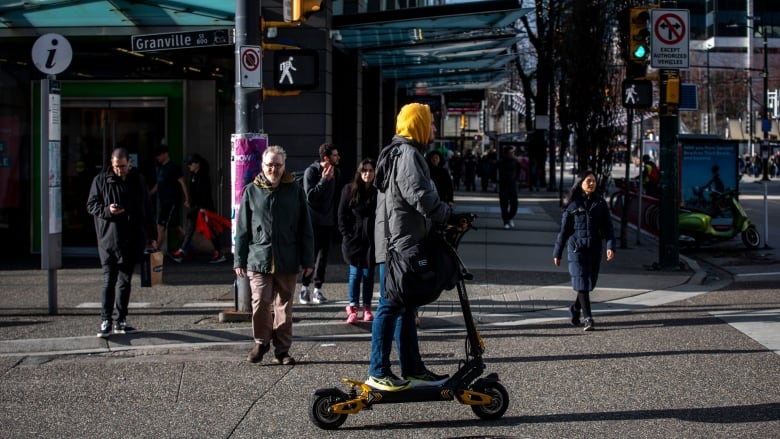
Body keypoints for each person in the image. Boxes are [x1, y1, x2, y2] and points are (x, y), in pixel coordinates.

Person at [368, 102, 452, 391]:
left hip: (397, 241)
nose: (434, 129)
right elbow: (420, 195)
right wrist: (445, 214)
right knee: (390, 305)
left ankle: (413, 368)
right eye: (430, 123)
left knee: (406, 305)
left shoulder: (401, 152)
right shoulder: (407, 154)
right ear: (417, 124)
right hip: (398, 243)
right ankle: (378, 371)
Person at [234, 145, 314, 365]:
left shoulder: (295, 189)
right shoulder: (251, 190)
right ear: (263, 166)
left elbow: (305, 227)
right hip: (258, 257)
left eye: (278, 165)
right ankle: (261, 342)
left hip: (288, 257)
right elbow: (242, 229)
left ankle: (282, 350)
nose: (274, 169)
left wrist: (308, 259)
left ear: (284, 166)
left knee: (284, 306)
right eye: (270, 165)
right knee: (260, 302)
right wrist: (239, 259)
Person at [86, 148, 157, 337]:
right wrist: (108, 210)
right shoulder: (101, 180)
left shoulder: (137, 180)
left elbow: (147, 208)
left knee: (125, 282)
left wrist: (152, 235)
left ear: (129, 163)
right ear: (111, 163)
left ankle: (121, 319)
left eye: (123, 166)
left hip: (132, 238)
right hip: (109, 239)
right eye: (117, 166)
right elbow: (91, 205)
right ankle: (106, 320)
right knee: (109, 280)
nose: (120, 170)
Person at [552, 170, 616, 332]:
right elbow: (564, 231)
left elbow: (608, 227)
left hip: (594, 249)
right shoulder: (573, 206)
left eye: (594, 181)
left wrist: (610, 246)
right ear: (580, 183)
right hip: (576, 249)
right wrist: (557, 253)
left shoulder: (600, 203)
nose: (592, 183)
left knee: (589, 284)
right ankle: (588, 318)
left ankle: (575, 309)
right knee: (582, 283)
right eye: (588, 180)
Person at [299, 143, 341, 305]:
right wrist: (323, 180)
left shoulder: (337, 172)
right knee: (310, 256)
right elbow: (310, 196)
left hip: (328, 222)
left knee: (323, 258)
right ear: (326, 158)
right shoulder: (312, 171)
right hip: (312, 222)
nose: (338, 157)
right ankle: (304, 288)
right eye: (335, 155)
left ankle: (317, 289)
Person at [337, 158, 378, 324]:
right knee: (355, 274)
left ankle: (367, 307)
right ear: (359, 173)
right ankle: (353, 307)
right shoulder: (349, 190)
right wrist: (347, 234)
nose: (367, 174)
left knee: (368, 274)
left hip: (371, 240)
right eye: (364, 171)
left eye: (370, 171)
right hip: (354, 240)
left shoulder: (378, 191)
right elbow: (341, 214)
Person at [170, 154, 226, 264]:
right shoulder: (193, 176)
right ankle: (182, 251)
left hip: (203, 209)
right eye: (188, 164)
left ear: (197, 164)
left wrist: (203, 208)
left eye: (191, 163)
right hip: (196, 208)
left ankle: (219, 252)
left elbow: (205, 194)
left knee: (210, 230)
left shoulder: (203, 176)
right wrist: (190, 202)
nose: (188, 166)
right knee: (190, 229)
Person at [149, 145, 190, 252]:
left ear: (165, 154)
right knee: (176, 227)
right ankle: (189, 248)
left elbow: (183, 183)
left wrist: (187, 199)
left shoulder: (174, 167)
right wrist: (149, 194)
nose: (157, 158)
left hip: (171, 202)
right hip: (163, 201)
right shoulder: (161, 168)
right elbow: (159, 184)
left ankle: (155, 250)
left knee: (161, 226)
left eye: (159, 155)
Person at [497, 145, 520, 229]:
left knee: (515, 204)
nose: (512, 154)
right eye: (511, 153)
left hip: (513, 185)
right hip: (504, 186)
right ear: (506, 154)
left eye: (513, 152)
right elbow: (493, 169)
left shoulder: (516, 161)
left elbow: (519, 170)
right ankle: (505, 221)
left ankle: (510, 217)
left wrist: (516, 179)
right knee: (504, 205)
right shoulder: (501, 162)